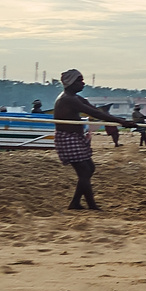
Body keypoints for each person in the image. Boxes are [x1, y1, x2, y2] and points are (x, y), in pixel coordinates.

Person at [50, 68, 129, 210]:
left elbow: (94, 110)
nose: (83, 83)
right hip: (68, 139)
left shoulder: (75, 98)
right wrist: (122, 122)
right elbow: (93, 113)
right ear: (71, 83)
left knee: (89, 169)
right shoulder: (68, 99)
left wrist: (118, 119)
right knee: (85, 171)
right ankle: (89, 205)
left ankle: (76, 203)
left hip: (75, 138)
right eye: (79, 80)